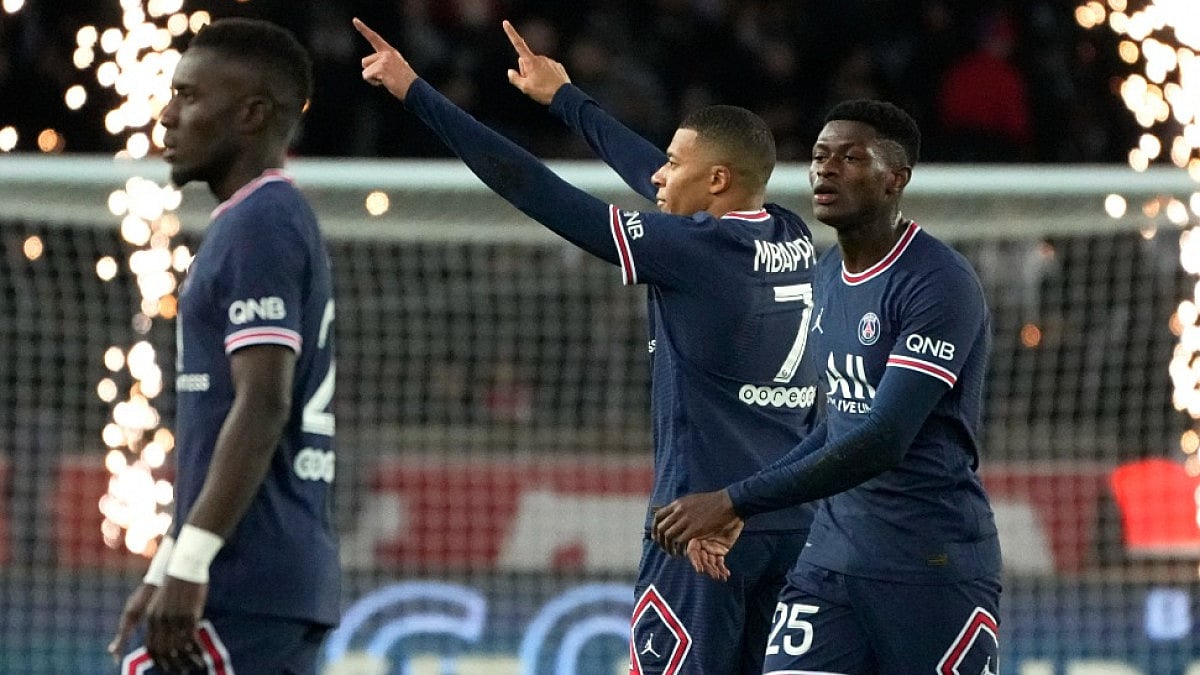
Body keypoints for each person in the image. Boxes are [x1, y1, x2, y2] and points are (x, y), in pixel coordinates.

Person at [355, 17, 821, 674]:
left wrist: (416, 93)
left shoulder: (692, 249)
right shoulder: (789, 231)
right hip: (784, 521)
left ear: (717, 182)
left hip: (701, 524)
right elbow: (652, 173)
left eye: (676, 165)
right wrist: (567, 99)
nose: (660, 176)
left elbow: (533, 186)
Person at [652, 99, 1002, 674]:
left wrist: (735, 499)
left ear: (895, 180)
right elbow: (836, 424)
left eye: (850, 158)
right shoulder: (826, 275)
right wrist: (745, 504)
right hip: (830, 564)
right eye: (819, 157)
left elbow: (882, 437)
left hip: (931, 567)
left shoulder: (938, 282)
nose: (826, 170)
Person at [108, 18, 340, 674]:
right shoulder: (260, 218)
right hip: (269, 576)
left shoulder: (259, 222)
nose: (167, 115)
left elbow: (263, 403)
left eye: (187, 96)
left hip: (244, 573)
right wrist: (166, 561)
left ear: (250, 114)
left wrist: (189, 563)